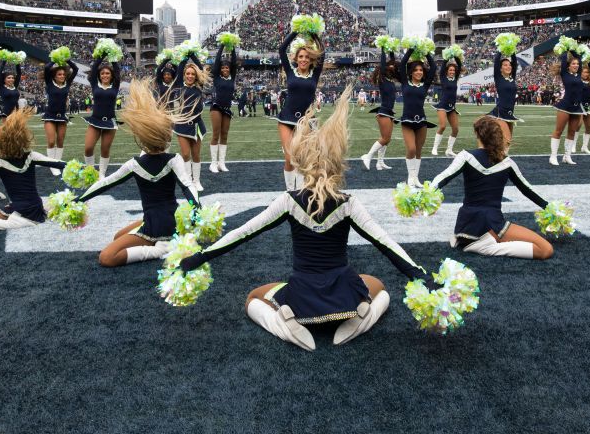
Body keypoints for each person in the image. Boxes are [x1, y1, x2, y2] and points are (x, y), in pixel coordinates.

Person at [176, 86, 432, 351]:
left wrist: (199, 257)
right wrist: (419, 274)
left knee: (254, 297)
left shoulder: (289, 200)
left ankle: (287, 327)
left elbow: (243, 233)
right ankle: (358, 320)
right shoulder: (348, 203)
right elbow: (384, 242)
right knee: (380, 288)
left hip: (301, 294)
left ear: (300, 161)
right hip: (344, 292)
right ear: (337, 161)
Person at [74, 80, 199, 266]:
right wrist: (78, 201)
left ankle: (161, 249)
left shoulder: (161, 161)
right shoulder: (163, 160)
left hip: (167, 227)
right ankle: (166, 242)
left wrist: (196, 209)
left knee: (106, 258)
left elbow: (106, 183)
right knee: (118, 236)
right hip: (157, 222)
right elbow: (188, 188)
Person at [430, 118, 554, 259]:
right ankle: (486, 246)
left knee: (537, 246)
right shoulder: (507, 163)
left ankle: (471, 240)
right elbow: (528, 190)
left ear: (478, 134)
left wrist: (422, 196)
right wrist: (553, 210)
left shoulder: (465, 156)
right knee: (545, 250)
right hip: (492, 224)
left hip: (465, 225)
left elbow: (443, 178)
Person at [0, 107, 68, 232]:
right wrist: (82, 169)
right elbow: (62, 164)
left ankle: (18, 219)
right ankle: (23, 215)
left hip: (24, 216)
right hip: (29, 208)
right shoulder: (32, 156)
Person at [276, 29, 325, 191]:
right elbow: (282, 49)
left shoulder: (314, 74)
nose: (304, 59)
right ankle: (291, 191)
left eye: (307, 57)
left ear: (311, 60)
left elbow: (323, 51)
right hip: (286, 119)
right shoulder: (290, 71)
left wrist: (313, 34)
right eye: (301, 56)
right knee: (290, 157)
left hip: (306, 122)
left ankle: (301, 189)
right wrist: (295, 32)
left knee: (304, 158)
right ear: (296, 59)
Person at [396, 46, 438, 186]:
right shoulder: (404, 82)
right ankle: (410, 176)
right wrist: (410, 50)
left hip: (421, 121)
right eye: (416, 70)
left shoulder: (425, 85)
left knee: (419, 151)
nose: (419, 72)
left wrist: (426, 52)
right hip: (407, 121)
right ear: (411, 72)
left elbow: (433, 67)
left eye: (421, 70)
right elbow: (402, 65)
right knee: (412, 149)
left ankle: (416, 178)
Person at [170, 50, 211, 191]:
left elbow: (200, 68)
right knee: (186, 154)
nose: (190, 76)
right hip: (182, 125)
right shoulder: (179, 86)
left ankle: (197, 180)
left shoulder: (200, 86)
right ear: (184, 75)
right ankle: (188, 180)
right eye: (187, 73)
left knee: (196, 154)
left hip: (197, 125)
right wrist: (185, 57)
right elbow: (181, 68)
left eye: (192, 74)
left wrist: (192, 55)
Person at [359, 46, 399, 171]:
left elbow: (393, 62)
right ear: (385, 68)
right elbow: (383, 64)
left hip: (390, 112)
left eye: (393, 66)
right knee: (385, 138)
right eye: (390, 66)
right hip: (384, 112)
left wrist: (391, 51)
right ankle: (368, 156)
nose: (392, 67)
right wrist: (383, 48)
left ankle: (379, 162)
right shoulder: (382, 79)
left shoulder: (391, 80)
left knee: (387, 139)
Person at [83, 57, 122, 177]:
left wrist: (113, 57)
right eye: (102, 73)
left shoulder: (115, 86)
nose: (105, 75)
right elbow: (94, 69)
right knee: (88, 148)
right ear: (99, 76)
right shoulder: (95, 85)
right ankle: (90, 172)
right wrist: (102, 55)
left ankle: (102, 174)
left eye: (107, 73)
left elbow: (117, 71)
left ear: (111, 75)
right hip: (95, 120)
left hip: (110, 122)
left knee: (105, 150)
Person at [42, 54, 80, 163]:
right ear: (54, 76)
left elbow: (75, 69)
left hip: (62, 116)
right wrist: (55, 59)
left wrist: (68, 60)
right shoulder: (49, 83)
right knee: (51, 141)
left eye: (63, 74)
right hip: (50, 116)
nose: (62, 76)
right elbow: (46, 68)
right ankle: (51, 163)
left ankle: (57, 163)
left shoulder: (67, 84)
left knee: (60, 141)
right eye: (59, 74)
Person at [549, 49, 584, 166]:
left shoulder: (579, 74)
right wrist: (566, 48)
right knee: (558, 131)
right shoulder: (564, 73)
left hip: (576, 107)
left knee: (572, 132)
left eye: (577, 64)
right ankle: (553, 156)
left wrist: (574, 49)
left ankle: (567, 156)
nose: (576, 65)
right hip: (565, 106)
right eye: (573, 64)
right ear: (568, 66)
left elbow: (579, 56)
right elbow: (564, 58)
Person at [208, 44, 239, 174]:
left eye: (227, 67)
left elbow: (234, 62)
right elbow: (216, 62)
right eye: (223, 67)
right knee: (216, 134)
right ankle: (213, 163)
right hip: (216, 107)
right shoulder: (216, 76)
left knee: (224, 135)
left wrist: (231, 47)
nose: (225, 69)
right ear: (220, 69)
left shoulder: (232, 77)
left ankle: (221, 163)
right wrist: (222, 46)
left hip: (227, 108)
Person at [485, 47, 521, 146]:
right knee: (507, 138)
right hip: (501, 112)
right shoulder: (498, 77)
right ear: (500, 68)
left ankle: (499, 157)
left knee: (506, 141)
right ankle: (502, 160)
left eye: (509, 65)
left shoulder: (512, 78)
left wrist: (512, 49)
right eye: (505, 65)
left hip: (510, 113)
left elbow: (514, 61)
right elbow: (497, 61)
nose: (508, 66)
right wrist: (501, 48)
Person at [431, 55, 462, 157]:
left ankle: (449, 150)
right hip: (442, 106)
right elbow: (444, 66)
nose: (452, 72)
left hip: (452, 107)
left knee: (456, 129)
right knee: (443, 126)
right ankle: (435, 148)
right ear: (447, 71)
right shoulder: (443, 78)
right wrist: (448, 56)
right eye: (450, 70)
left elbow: (460, 65)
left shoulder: (455, 78)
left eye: (453, 70)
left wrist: (455, 56)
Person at [579, 63, 590, 154]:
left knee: (589, 127)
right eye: (584, 72)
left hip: (589, 105)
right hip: (579, 105)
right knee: (578, 125)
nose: (585, 74)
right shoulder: (577, 80)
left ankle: (584, 147)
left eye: (587, 72)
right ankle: (573, 145)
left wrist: (589, 59)